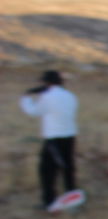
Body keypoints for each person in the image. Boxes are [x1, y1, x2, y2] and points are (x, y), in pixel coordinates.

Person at [19, 70, 80, 210]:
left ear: (47, 82)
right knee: (68, 167)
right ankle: (72, 197)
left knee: (47, 170)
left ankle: (50, 201)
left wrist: (26, 98)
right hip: (70, 135)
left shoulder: (48, 97)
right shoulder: (70, 96)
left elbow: (33, 111)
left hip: (54, 137)